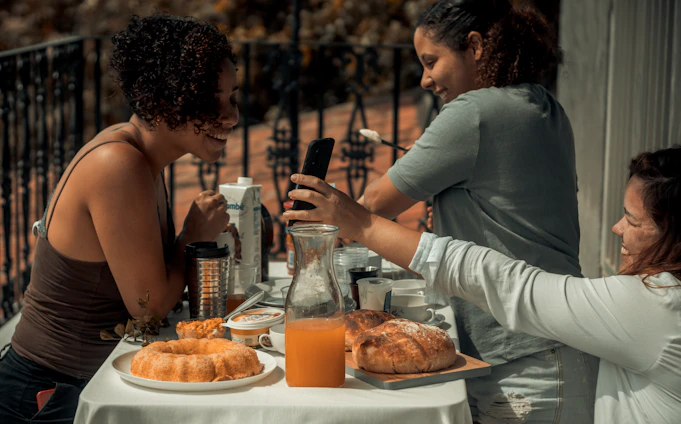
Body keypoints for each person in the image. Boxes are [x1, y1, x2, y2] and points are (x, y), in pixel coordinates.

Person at [285, 144, 681, 424]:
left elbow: (509, 284)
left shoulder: (659, 306)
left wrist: (363, 222)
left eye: (632, 221)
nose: (617, 229)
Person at [352, 0, 597, 421]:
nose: (426, 79)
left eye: (431, 62)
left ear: (476, 46)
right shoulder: (542, 104)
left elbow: (375, 204)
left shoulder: (473, 112)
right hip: (557, 346)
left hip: (521, 361)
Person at [0, 14, 238, 422]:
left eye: (233, 98)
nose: (232, 116)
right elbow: (149, 309)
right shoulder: (118, 165)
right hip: (46, 396)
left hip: (77, 384)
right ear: (168, 99)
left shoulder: (142, 161)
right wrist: (192, 236)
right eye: (215, 98)